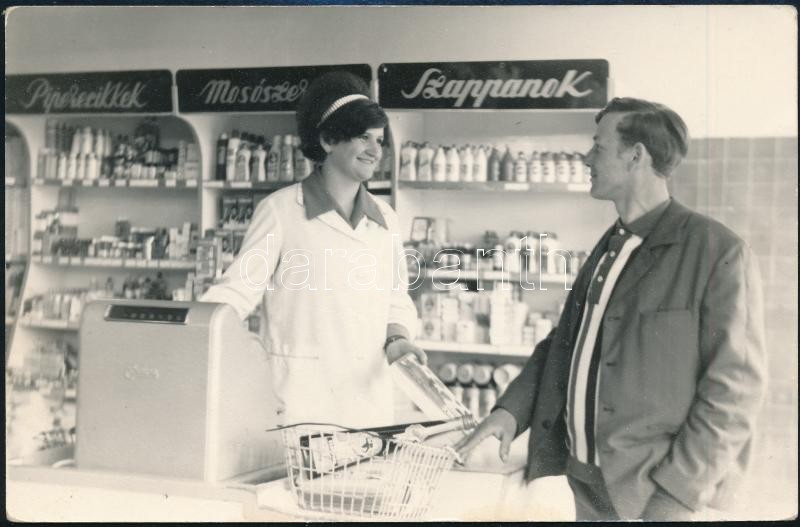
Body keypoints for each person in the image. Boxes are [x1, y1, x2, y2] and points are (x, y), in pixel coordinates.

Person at [456, 97, 767, 521]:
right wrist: (510, 412)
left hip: (656, 492)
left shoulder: (716, 250)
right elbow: (564, 343)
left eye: (598, 147)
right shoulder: (611, 246)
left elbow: (735, 389)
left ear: (636, 155)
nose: (587, 158)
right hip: (587, 482)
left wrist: (677, 494)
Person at [201, 71, 425, 429]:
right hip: (301, 401)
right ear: (327, 139)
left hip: (367, 400)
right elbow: (237, 291)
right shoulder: (280, 210)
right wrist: (191, 331)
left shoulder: (385, 218)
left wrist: (398, 340)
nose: (375, 151)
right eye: (363, 137)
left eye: (380, 140)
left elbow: (396, 299)